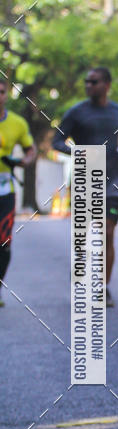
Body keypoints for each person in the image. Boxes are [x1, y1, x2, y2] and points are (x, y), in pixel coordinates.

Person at [52, 67, 118, 307]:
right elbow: (56, 141)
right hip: (84, 184)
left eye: (94, 82)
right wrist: (78, 153)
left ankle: (102, 288)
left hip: (112, 184)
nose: (88, 85)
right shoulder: (76, 112)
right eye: (87, 82)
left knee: (107, 232)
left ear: (107, 85)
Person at [0, 77, 37, 307]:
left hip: (5, 189)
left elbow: (30, 149)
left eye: (1, 91)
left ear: (6, 95)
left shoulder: (17, 123)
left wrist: (23, 161)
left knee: (4, 242)